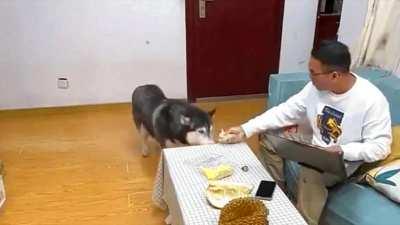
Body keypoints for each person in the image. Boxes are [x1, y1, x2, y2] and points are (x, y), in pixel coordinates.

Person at [221, 40, 392, 225]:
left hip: (344, 161)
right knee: (270, 136)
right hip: (316, 148)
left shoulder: (371, 100)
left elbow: (381, 147)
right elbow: (287, 110)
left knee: (312, 171)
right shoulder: (315, 88)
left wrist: (343, 150)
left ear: (334, 75)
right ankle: (276, 198)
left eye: (313, 72)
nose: (309, 77)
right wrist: (245, 129)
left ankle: (301, 221)